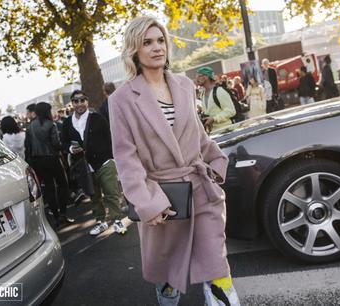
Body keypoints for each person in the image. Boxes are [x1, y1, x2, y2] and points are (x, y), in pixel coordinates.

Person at [109, 16, 240, 305]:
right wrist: (145, 204)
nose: (157, 48)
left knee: (218, 270)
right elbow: (126, 157)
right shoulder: (121, 99)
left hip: (201, 189)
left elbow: (199, 136)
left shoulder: (183, 84)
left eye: (160, 40)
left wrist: (216, 165)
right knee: (169, 282)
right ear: (134, 50)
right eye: (147, 42)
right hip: (163, 200)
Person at [61, 90, 127, 236]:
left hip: (104, 161)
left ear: (87, 101)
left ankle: (117, 220)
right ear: (72, 104)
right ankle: (101, 222)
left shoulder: (97, 117)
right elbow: (63, 142)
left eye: (82, 100)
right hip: (84, 166)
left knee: (111, 192)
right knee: (94, 195)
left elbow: (110, 137)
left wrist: (112, 157)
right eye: (76, 101)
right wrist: (71, 148)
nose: (79, 103)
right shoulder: (67, 123)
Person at [25, 102, 74, 227]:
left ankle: (56, 217)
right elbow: (56, 144)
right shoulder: (50, 124)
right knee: (63, 185)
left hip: (38, 161)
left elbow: (28, 147)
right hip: (53, 159)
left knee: (49, 188)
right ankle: (63, 213)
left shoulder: (30, 127)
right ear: (47, 111)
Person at [196, 66, 236, 132]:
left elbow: (231, 111)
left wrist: (214, 119)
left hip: (226, 131)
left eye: (199, 76)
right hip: (214, 133)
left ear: (206, 77)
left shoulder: (219, 91)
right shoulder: (202, 94)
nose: (196, 79)